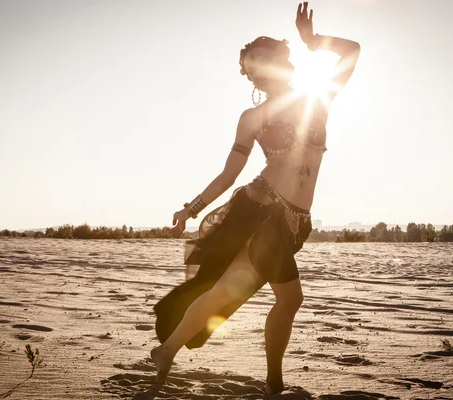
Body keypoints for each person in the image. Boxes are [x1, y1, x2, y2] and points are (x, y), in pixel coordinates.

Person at [151, 2, 360, 395]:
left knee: (231, 293)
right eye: (250, 66)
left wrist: (314, 41)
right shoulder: (253, 118)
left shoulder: (319, 98)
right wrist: (190, 208)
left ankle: (167, 351)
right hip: (261, 210)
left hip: (296, 218)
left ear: (282, 60)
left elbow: (352, 53)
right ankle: (273, 383)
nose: (257, 70)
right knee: (286, 297)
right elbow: (229, 175)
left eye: (263, 60)